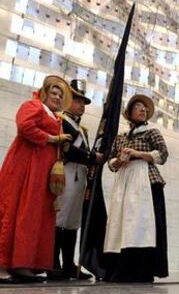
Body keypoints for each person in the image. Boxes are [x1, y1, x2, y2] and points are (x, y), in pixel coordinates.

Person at [0, 75, 72, 282]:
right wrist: (52, 138)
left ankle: (23, 263)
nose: (58, 98)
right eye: (54, 93)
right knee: (15, 210)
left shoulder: (55, 117)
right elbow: (25, 126)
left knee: (33, 215)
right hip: (25, 167)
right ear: (44, 93)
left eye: (61, 95)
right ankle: (3, 263)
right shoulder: (34, 106)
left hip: (42, 172)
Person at [103, 94, 169, 282]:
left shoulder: (152, 132)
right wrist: (119, 160)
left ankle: (142, 270)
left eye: (145, 108)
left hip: (146, 181)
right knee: (123, 223)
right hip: (124, 182)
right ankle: (120, 268)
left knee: (143, 224)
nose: (143, 110)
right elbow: (111, 163)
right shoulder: (121, 137)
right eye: (138, 106)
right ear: (130, 111)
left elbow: (163, 155)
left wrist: (138, 153)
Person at [48, 80, 104, 280]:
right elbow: (66, 148)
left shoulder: (83, 129)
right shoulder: (60, 119)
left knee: (73, 221)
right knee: (60, 218)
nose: (82, 106)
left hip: (80, 175)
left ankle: (69, 265)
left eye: (83, 102)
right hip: (66, 171)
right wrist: (90, 158)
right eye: (78, 101)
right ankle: (53, 263)